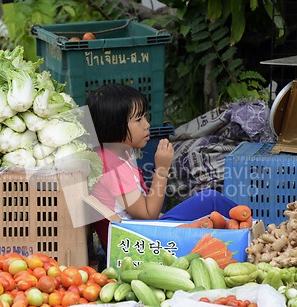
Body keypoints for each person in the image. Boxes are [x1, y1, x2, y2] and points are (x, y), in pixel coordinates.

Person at [87, 83, 237, 252]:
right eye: (138, 120)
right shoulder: (113, 164)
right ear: (113, 125)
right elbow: (147, 214)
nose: (147, 125)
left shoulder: (115, 154)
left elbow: (144, 209)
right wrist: (162, 169)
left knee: (207, 211)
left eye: (145, 117)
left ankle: (247, 226)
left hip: (139, 232)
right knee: (210, 200)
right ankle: (254, 228)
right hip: (135, 242)